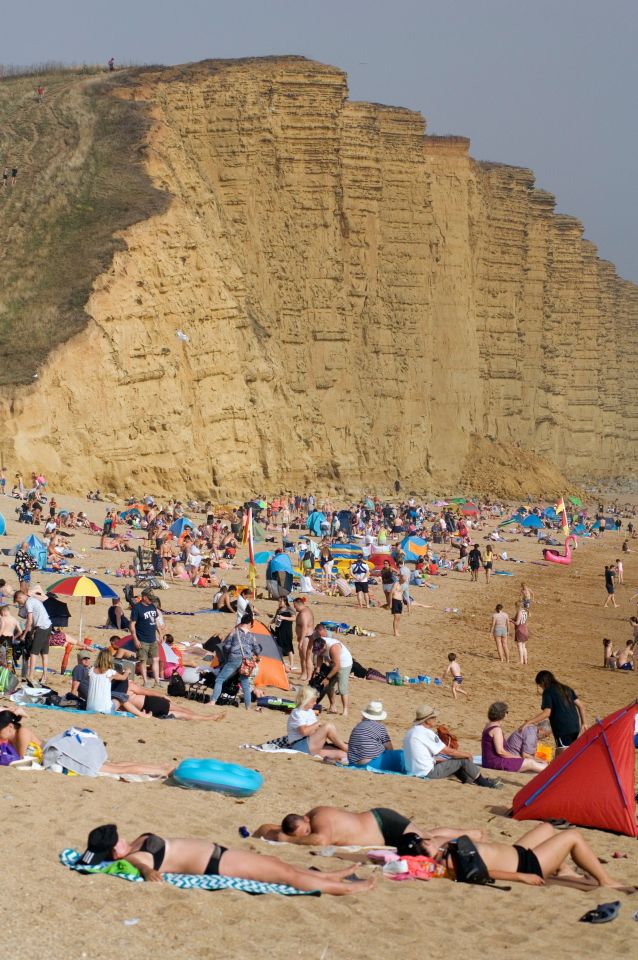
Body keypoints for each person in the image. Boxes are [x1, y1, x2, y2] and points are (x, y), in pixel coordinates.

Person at [78, 823, 374, 894]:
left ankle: (331, 877)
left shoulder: (139, 841)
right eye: (117, 839)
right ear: (115, 850)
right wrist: (146, 873)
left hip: (220, 854)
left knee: (279, 866)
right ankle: (349, 888)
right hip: (217, 865)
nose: (121, 837)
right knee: (285, 877)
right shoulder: (134, 856)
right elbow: (141, 865)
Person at [422, 823, 635, 891]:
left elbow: (443, 833)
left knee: (547, 827)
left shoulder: (442, 848)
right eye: (424, 843)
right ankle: (605, 881)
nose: (427, 840)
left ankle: (565, 869)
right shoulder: (448, 861)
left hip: (517, 851)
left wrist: (431, 835)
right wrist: (521, 877)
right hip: (527, 865)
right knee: (573, 836)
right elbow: (482, 874)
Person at [0, 708, 173, 776]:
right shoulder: (15, 734)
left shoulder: (22, 733)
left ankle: (161, 770)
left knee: (114, 769)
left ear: (9, 726)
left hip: (60, 754)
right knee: (115, 765)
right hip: (61, 750)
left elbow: (20, 759)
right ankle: (159, 767)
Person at [254, 806, 483, 849]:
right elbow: (264, 828)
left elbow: (321, 840)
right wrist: (279, 834)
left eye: (306, 831)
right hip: (381, 827)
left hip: (383, 824)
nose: (308, 835)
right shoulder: (306, 822)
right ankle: (471, 833)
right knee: (427, 834)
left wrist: (289, 840)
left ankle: (472, 836)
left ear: (306, 819)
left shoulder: (320, 818)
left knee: (427, 840)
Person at [403, 704, 502, 788]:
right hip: (426, 773)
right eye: (433, 717)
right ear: (427, 720)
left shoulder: (411, 731)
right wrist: (467, 755)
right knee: (462, 760)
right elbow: (448, 751)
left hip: (413, 770)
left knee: (452, 762)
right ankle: (484, 782)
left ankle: (470, 780)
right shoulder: (426, 733)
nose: (435, 719)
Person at [519, 670, 586, 753]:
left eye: (540, 685)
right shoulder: (566, 688)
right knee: (571, 753)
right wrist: (583, 723)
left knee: (563, 754)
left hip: (562, 728)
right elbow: (581, 706)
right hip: (575, 727)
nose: (541, 687)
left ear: (543, 682)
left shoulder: (548, 692)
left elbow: (547, 713)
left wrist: (528, 723)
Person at [211, 614, 262, 710]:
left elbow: (226, 646)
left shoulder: (234, 632)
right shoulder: (252, 636)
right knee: (245, 684)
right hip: (246, 662)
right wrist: (254, 655)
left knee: (220, 679)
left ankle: (213, 701)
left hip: (234, 659)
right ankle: (248, 707)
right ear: (250, 623)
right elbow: (257, 650)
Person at [481, 703, 547, 773]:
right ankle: (550, 772)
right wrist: (518, 758)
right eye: (507, 712)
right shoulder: (497, 730)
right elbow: (500, 751)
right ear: (503, 714)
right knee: (530, 762)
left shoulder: (487, 726)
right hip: (494, 762)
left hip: (487, 761)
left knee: (530, 765)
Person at [285, 686, 348, 759]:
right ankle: (345, 747)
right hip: (301, 745)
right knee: (328, 727)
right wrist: (317, 724)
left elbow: (314, 730)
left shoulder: (310, 711)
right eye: (313, 701)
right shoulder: (297, 713)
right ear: (306, 700)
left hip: (311, 743)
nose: (315, 703)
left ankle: (345, 748)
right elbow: (304, 732)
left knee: (343, 755)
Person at [312, 628, 352, 716]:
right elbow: (319, 656)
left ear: (324, 646)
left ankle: (345, 710)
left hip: (344, 664)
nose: (320, 652)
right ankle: (333, 706)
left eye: (321, 651)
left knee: (342, 688)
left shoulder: (334, 648)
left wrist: (327, 678)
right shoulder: (319, 644)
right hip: (333, 663)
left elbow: (337, 666)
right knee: (328, 687)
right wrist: (317, 669)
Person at [14, 589, 52, 682]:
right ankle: (44, 676)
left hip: (42, 627)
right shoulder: (33, 600)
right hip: (48, 625)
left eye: (19, 602)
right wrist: (31, 633)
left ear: (20, 597)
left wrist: (24, 634)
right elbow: (34, 620)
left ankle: (30, 676)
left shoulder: (28, 603)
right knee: (44, 653)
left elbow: (30, 620)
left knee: (33, 653)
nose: (20, 604)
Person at [129, 590, 161, 686]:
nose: (151, 601)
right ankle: (145, 682)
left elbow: (155, 621)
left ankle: (157, 681)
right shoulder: (137, 608)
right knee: (143, 661)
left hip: (153, 639)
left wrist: (160, 634)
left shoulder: (152, 606)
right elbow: (132, 624)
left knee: (156, 659)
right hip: (142, 639)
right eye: (150, 598)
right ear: (144, 597)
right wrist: (135, 638)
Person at [347, 701, 393, 765]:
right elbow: (389, 748)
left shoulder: (358, 725)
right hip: (371, 762)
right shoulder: (380, 727)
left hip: (353, 762)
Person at [270, 596, 295, 670]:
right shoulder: (279, 610)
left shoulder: (289, 609)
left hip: (287, 630)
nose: (280, 603)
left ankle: (292, 664)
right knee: (279, 646)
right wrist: (270, 623)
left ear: (285, 601)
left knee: (289, 647)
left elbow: (294, 618)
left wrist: (284, 618)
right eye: (279, 601)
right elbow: (275, 619)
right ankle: (281, 662)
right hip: (279, 629)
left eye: (281, 601)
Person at [293, 597, 314, 682]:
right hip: (306, 636)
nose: (294, 608)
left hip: (306, 637)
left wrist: (301, 641)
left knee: (306, 657)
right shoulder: (306, 609)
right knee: (303, 657)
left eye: (295, 606)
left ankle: (309, 676)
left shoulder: (303, 614)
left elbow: (305, 627)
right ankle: (304, 674)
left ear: (299, 604)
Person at [513, 600, 529, 664]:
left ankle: (521, 661)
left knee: (519, 646)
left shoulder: (519, 612)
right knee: (523, 646)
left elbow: (517, 623)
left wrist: (510, 621)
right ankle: (525, 660)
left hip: (520, 630)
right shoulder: (525, 612)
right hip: (525, 629)